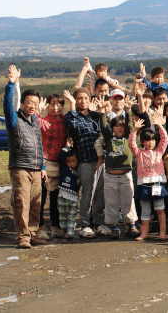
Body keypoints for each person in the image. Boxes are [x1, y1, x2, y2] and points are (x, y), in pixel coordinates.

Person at [4, 65, 47, 249]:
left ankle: (32, 232)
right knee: (22, 202)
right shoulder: (14, 119)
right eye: (29, 102)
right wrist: (11, 84)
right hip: (20, 166)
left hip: (36, 168)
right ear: (22, 103)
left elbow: (39, 144)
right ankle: (23, 237)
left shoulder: (35, 121)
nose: (32, 106)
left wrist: (43, 167)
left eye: (35, 103)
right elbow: (7, 105)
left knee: (36, 203)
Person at [62, 87, 106, 239]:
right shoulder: (71, 116)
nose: (83, 101)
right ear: (75, 100)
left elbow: (105, 130)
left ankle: (99, 223)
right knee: (87, 193)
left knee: (100, 193)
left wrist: (101, 111)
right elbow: (72, 127)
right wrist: (72, 106)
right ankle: (85, 225)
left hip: (101, 159)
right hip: (85, 160)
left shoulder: (95, 115)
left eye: (85, 98)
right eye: (79, 98)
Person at [95, 111, 139, 239]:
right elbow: (103, 127)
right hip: (110, 176)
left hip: (126, 175)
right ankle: (114, 227)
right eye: (116, 125)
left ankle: (131, 226)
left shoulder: (129, 138)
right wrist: (102, 112)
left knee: (128, 201)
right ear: (112, 128)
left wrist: (128, 109)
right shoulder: (109, 138)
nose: (119, 127)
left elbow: (131, 126)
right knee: (111, 202)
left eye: (122, 125)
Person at [129, 117, 168, 241]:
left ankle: (162, 233)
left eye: (152, 140)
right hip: (144, 186)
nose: (150, 142)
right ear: (142, 142)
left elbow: (165, 140)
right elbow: (131, 144)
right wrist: (134, 131)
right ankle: (144, 233)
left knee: (160, 209)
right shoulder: (139, 153)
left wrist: (160, 126)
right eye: (147, 140)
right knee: (145, 210)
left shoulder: (159, 151)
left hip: (157, 185)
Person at [38, 93, 67, 240]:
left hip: (59, 164)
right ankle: (40, 227)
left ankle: (56, 227)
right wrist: (38, 111)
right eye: (52, 104)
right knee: (41, 198)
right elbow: (31, 124)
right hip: (44, 163)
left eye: (59, 104)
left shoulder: (65, 121)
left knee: (55, 199)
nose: (55, 107)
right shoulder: (42, 121)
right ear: (47, 105)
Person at [57, 149, 81, 240]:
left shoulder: (79, 171)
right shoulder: (64, 168)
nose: (71, 163)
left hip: (74, 198)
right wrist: (67, 146)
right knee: (62, 215)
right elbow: (60, 157)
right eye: (68, 161)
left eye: (73, 161)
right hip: (62, 195)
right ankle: (63, 230)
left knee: (71, 216)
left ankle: (70, 232)